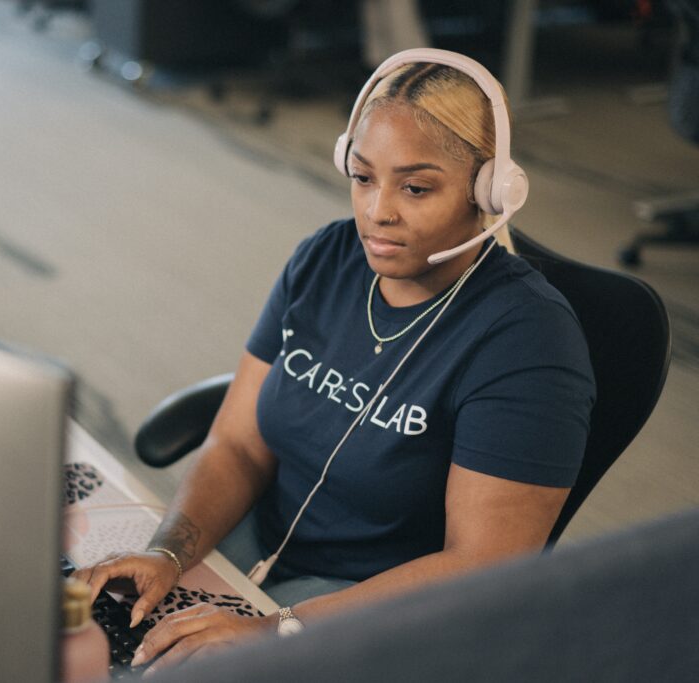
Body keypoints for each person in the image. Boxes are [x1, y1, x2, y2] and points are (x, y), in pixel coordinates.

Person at [74, 50, 596, 674]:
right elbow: (238, 444)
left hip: (370, 603)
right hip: (259, 542)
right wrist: (169, 554)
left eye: (416, 187)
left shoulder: (527, 339)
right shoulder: (326, 258)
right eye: (363, 176)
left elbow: (481, 562)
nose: (378, 212)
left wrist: (276, 630)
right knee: (82, 633)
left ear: (488, 190)